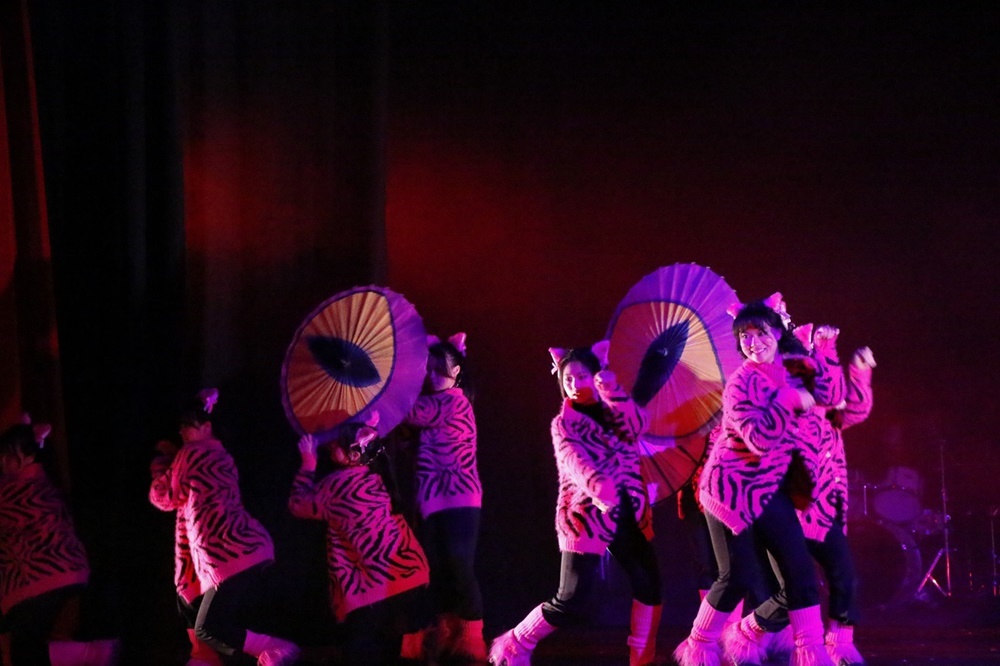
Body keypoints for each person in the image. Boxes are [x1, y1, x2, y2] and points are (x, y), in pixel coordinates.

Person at [674, 294, 841, 666]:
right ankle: (699, 648)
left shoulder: (790, 369)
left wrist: (826, 350)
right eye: (745, 337)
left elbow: (827, 399)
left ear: (777, 333)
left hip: (769, 488)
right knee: (736, 577)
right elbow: (759, 439)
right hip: (731, 488)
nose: (754, 342)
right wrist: (787, 400)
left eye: (761, 333)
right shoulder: (740, 384)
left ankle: (799, 651)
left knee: (800, 578)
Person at [489, 342, 662, 666]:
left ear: (596, 376)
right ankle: (515, 645)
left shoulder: (614, 410)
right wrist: (600, 488)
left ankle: (643, 660)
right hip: (585, 514)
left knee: (649, 584)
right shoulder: (563, 423)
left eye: (582, 376)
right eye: (568, 378)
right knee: (572, 598)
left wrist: (612, 390)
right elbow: (575, 462)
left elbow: (637, 425)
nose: (574, 383)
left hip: (627, 509)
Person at [735, 328, 876, 666]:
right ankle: (748, 633)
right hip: (784, 507)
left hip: (823, 508)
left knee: (844, 576)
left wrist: (859, 371)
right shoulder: (774, 400)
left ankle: (840, 646)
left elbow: (856, 409)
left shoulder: (825, 401)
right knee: (793, 590)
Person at [149, 389, 299, 666]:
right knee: (201, 629)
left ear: (206, 426)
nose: (182, 431)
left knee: (209, 628)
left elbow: (164, 495)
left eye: (187, 425)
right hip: (241, 549)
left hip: (228, 554)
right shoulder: (220, 455)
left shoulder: (191, 453)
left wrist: (161, 464)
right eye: (181, 426)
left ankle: (275, 648)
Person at [288, 412, 430, 665]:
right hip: (409, 579)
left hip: (373, 589)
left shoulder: (336, 486)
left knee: (359, 653)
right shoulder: (380, 478)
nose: (331, 445)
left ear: (353, 455)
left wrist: (308, 462)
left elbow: (298, 504)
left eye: (337, 443)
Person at [0, 416, 119, 666]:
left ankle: (91, 653)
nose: (3, 462)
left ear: (26, 455)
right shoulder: (42, 483)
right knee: (26, 645)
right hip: (63, 570)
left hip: (41, 575)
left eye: (8, 455)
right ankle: (89, 652)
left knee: (24, 650)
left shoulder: (17, 489)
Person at [400, 333, 486, 663]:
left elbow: (412, 412)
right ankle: (447, 633)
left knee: (459, 567)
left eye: (441, 369)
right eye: (429, 369)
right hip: (431, 499)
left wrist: (395, 389)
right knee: (436, 569)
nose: (434, 376)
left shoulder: (455, 401)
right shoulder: (433, 404)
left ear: (457, 371)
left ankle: (471, 636)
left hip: (460, 498)